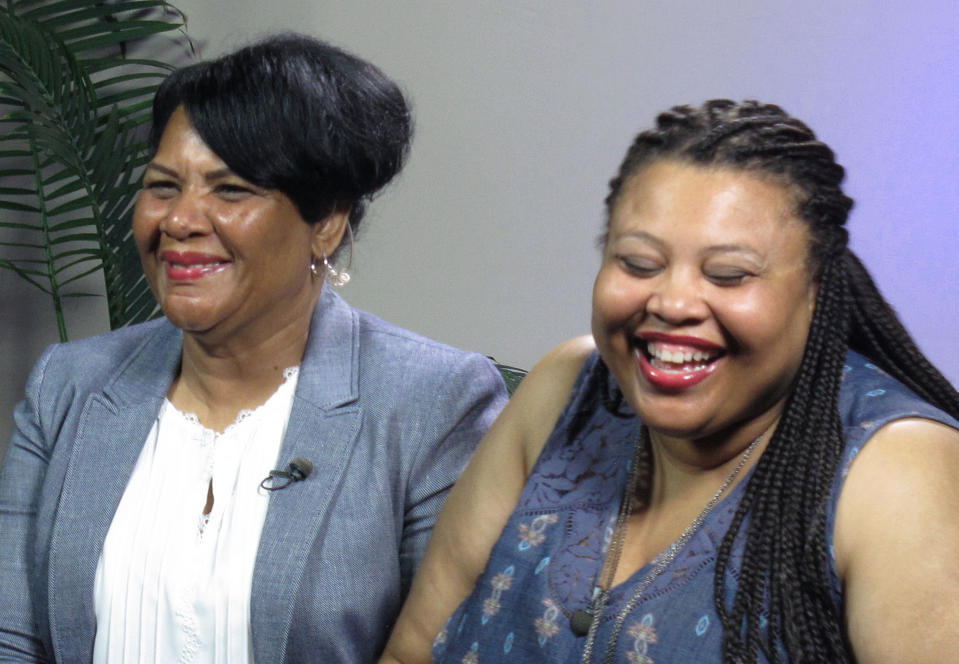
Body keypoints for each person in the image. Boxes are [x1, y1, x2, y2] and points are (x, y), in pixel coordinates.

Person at [380, 99, 959, 663]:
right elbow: (413, 653)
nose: (675, 302)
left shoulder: (894, 466)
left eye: (729, 275)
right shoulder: (567, 388)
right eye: (638, 263)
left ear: (817, 292)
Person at [0, 34, 508, 663]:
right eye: (162, 186)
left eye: (230, 190)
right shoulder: (70, 385)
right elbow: (11, 636)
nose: (180, 220)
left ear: (326, 223)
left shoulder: (433, 402)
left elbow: (450, 649)